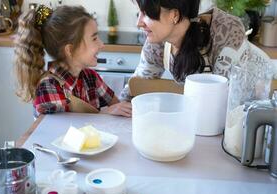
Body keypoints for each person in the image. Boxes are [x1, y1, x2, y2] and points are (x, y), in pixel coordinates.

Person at [120, 0, 275, 101]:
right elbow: (140, 81)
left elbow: (230, 103)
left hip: (255, 107)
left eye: (146, 14)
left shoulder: (227, 32)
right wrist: (118, 105)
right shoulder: (157, 38)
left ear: (174, 15)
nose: (138, 23)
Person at [14, 5, 132, 118]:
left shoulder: (91, 77)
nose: (102, 45)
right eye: (94, 38)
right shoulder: (48, 88)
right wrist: (105, 113)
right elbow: (64, 135)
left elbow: (118, 106)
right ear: (70, 50)